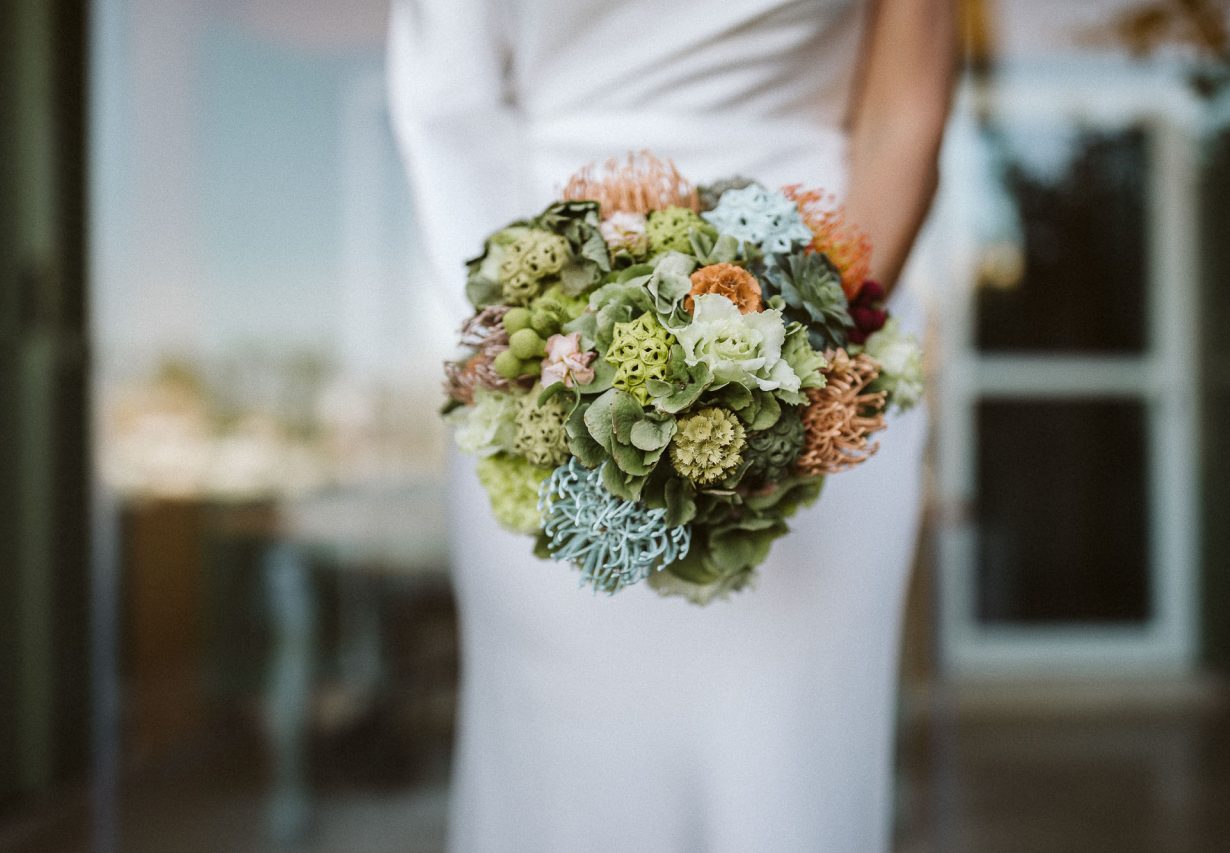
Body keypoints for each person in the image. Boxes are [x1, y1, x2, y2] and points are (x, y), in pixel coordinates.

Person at [387, 1, 955, 850]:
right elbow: (448, 99)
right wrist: (531, 347)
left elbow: (907, 107)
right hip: (541, 315)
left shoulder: (815, 351)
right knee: (567, 772)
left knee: (787, 764)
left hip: (822, 292)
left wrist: (795, 367)